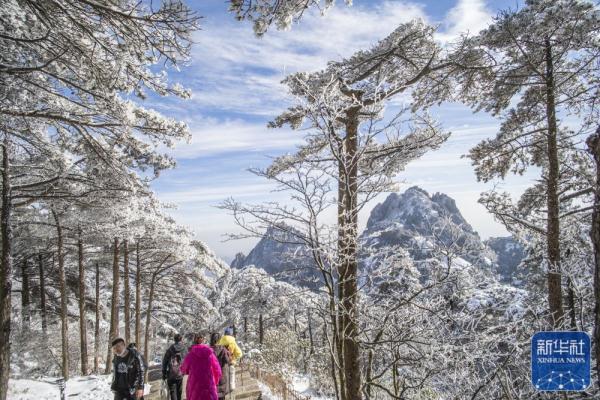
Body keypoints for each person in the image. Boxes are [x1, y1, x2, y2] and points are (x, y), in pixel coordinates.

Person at [180, 333, 222, 400]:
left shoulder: (190, 355)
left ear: (194, 341)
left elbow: (183, 369)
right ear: (203, 341)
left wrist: (188, 371)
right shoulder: (210, 354)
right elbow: (217, 370)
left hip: (194, 385)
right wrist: (215, 382)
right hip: (208, 385)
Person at [162, 333, 187, 400]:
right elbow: (187, 360)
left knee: (172, 391)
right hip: (180, 373)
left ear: (174, 339)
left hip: (171, 373)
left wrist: (164, 373)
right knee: (179, 391)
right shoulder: (184, 348)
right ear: (181, 339)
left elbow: (165, 361)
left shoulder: (170, 349)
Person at [210, 333, 232, 400]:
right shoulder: (223, 349)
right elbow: (228, 361)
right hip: (222, 375)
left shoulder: (209, 350)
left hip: (212, 376)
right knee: (222, 396)